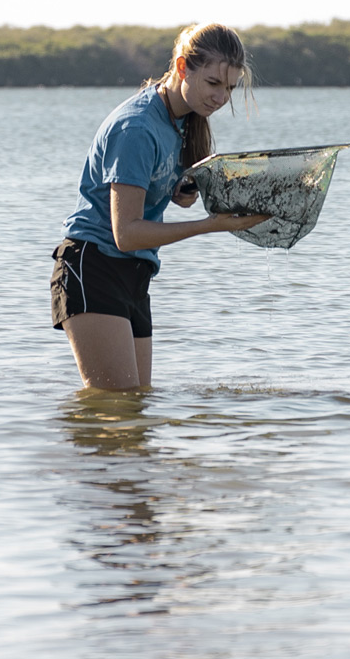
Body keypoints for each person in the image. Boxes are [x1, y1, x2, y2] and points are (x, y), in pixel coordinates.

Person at [51, 23, 268, 390]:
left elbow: (154, 187)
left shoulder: (180, 119)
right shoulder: (137, 128)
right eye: (214, 83)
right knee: (117, 410)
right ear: (183, 68)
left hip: (135, 275)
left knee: (136, 411)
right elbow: (127, 233)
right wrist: (210, 224)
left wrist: (177, 189)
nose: (221, 98)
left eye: (230, 88)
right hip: (95, 267)